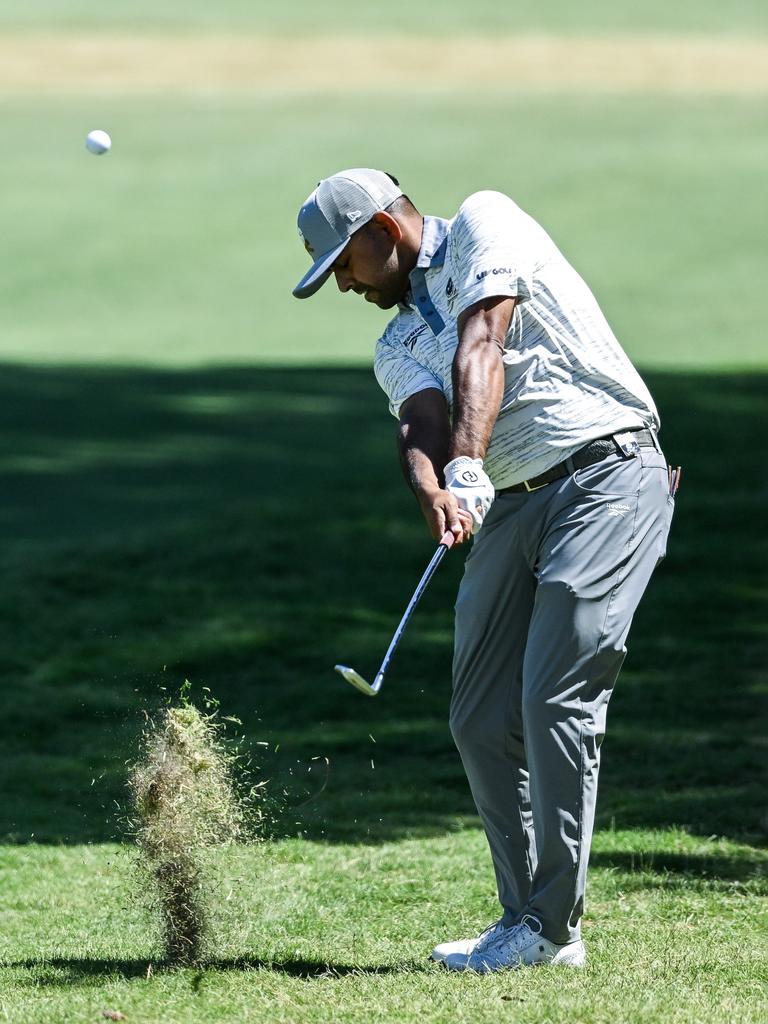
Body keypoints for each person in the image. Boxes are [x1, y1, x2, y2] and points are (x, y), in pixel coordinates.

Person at [292, 168, 676, 972]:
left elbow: (483, 341)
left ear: (382, 234)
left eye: (344, 267)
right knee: (477, 718)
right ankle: (523, 921)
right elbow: (420, 422)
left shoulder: (482, 222)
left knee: (554, 696)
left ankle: (552, 926)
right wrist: (438, 486)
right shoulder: (394, 341)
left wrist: (469, 461)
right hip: (509, 506)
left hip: (605, 473)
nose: (344, 287)